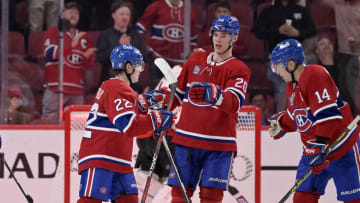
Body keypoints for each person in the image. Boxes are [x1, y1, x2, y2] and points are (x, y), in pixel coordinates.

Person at [140, 15, 251, 203]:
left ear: (235, 38)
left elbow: (234, 103)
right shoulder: (195, 60)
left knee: (211, 198)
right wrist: (158, 100)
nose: (218, 39)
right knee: (178, 196)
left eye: (225, 35)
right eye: (216, 34)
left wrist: (215, 95)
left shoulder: (239, 69)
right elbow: (177, 95)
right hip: (186, 141)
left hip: (219, 146)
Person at [77, 45, 174, 203]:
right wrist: (157, 119)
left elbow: (135, 106)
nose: (140, 70)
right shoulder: (115, 88)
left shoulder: (118, 89)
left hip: (118, 160)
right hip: (101, 157)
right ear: (128, 67)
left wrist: (158, 97)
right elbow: (129, 125)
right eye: (138, 65)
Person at [269, 39, 360, 202]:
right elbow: (295, 116)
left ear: (290, 64)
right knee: (302, 199)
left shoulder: (315, 74)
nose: (276, 72)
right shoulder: (292, 87)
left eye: (277, 66)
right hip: (313, 153)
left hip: (342, 149)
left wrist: (318, 146)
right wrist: (281, 125)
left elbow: (329, 116)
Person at [254, 0, 316, 112]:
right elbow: (258, 31)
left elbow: (312, 30)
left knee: (302, 87)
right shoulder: (268, 11)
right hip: (275, 57)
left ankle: (303, 119)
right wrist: (277, 31)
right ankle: (282, 120)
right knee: (282, 89)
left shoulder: (301, 10)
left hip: (298, 57)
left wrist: (298, 33)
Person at [41, 2, 97, 120]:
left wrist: (88, 57)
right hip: (56, 87)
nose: (74, 15)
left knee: (75, 127)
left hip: (77, 89)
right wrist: (71, 45)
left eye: (76, 13)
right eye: (70, 12)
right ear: (62, 14)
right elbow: (49, 55)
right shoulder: (53, 32)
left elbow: (87, 64)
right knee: (50, 124)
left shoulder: (84, 36)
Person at [135, 0, 198, 87]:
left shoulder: (188, 9)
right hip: (158, 60)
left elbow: (193, 37)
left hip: (180, 64)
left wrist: (190, 56)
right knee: (156, 94)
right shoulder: (156, 6)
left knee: (176, 96)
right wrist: (146, 47)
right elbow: (139, 29)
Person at [97, 0, 152, 92]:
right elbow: (101, 58)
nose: (125, 17)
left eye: (127, 15)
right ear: (114, 15)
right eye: (122, 14)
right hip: (110, 84)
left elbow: (145, 58)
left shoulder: (135, 36)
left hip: (132, 85)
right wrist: (118, 46)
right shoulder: (105, 35)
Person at [320, 0, 360, 115]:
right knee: (344, 94)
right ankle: (350, 124)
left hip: (358, 56)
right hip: (343, 56)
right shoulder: (338, 4)